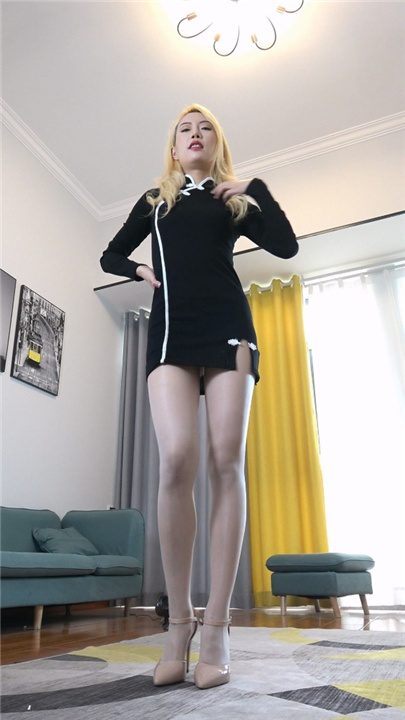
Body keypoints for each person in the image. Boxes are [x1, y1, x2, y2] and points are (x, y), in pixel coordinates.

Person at [100, 103, 298, 690]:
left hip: (232, 332)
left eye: (205, 128)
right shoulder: (155, 200)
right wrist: (139, 272)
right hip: (170, 335)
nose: (194, 134)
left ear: (217, 144)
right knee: (177, 460)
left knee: (225, 460)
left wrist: (255, 189)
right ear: (173, 146)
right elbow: (110, 254)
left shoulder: (232, 199)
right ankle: (179, 622)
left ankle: (217, 626)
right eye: (185, 129)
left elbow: (286, 247)